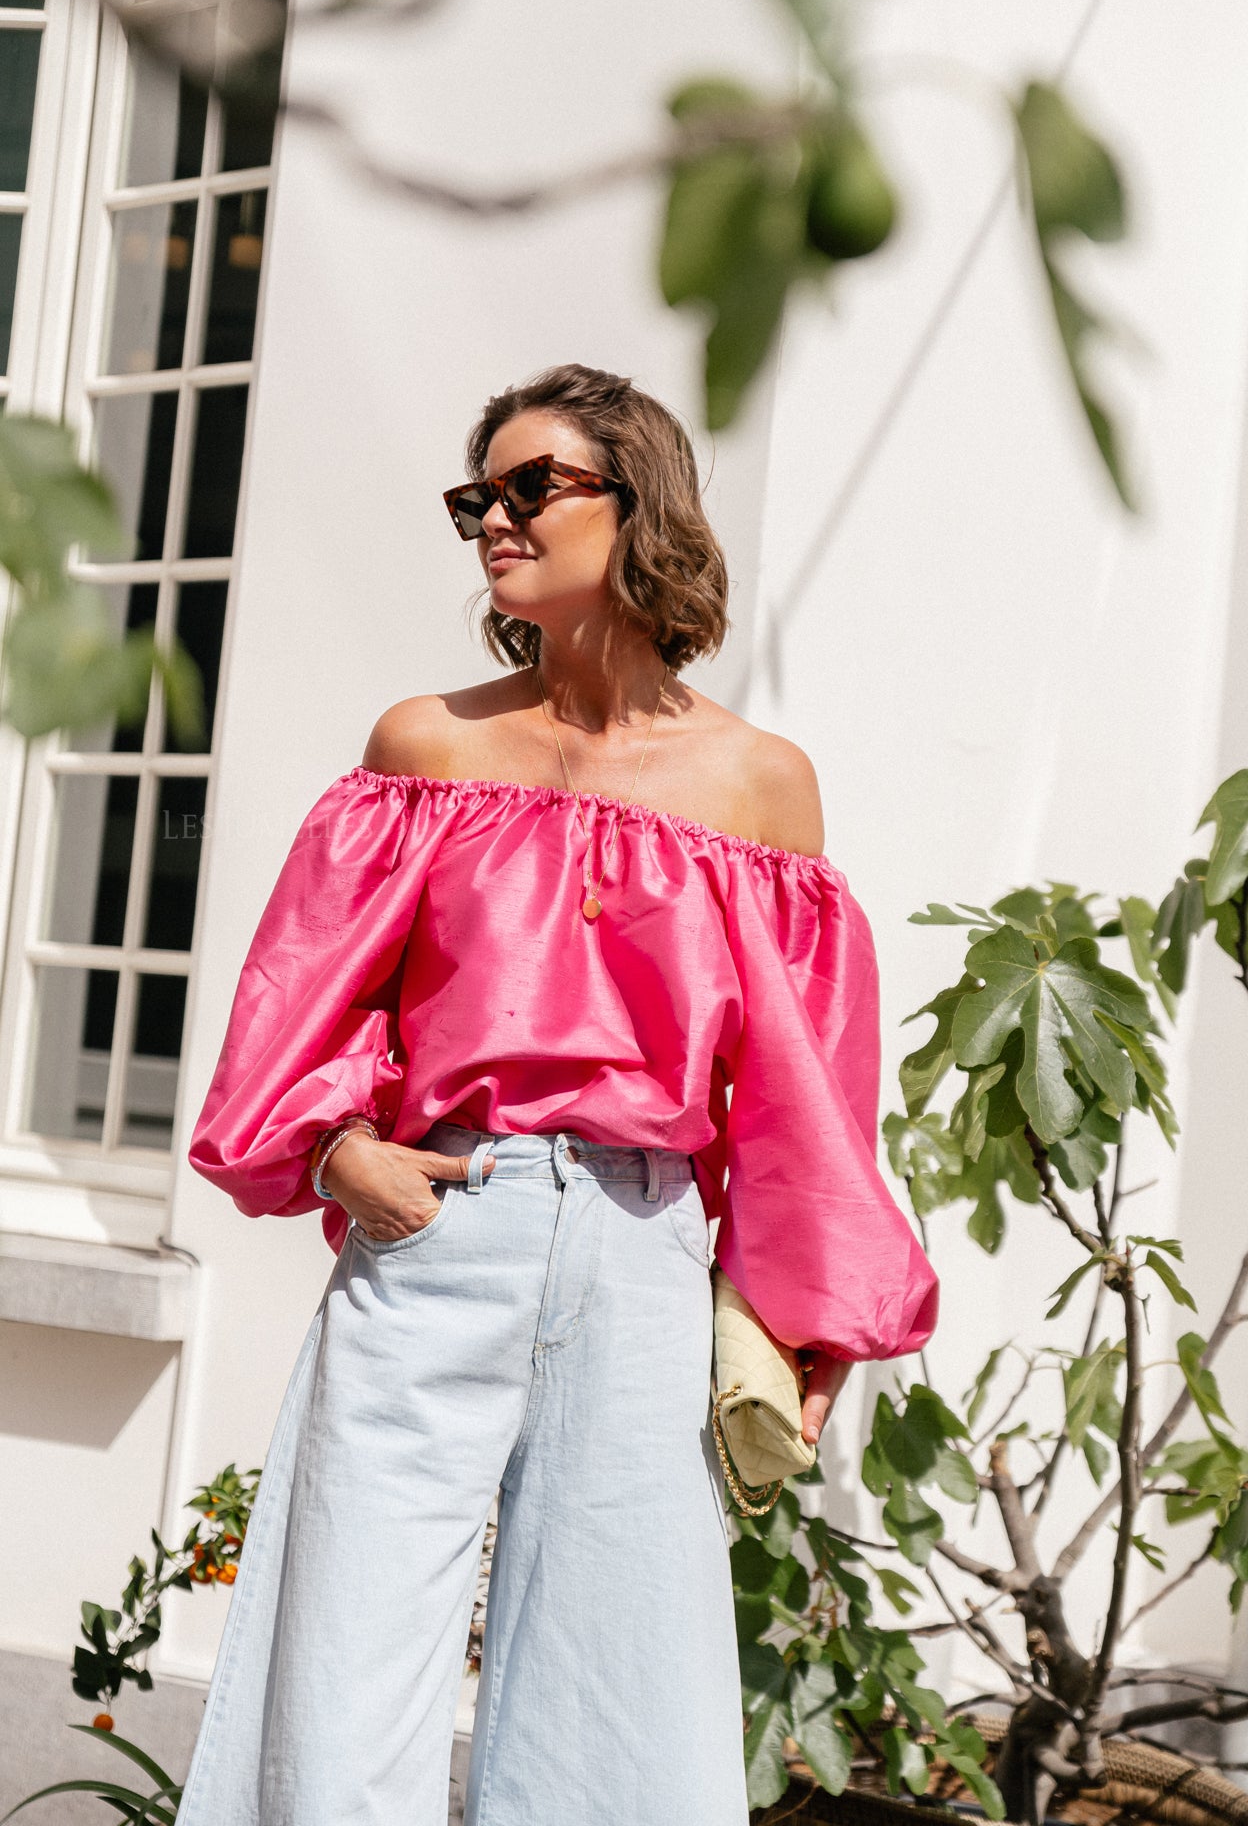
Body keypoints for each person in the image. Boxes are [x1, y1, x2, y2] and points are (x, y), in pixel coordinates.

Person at [177, 362, 938, 1826]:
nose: (494, 520)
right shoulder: (428, 749)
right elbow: (299, 1003)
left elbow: (799, 1091)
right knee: (342, 1644)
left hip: (636, 1241)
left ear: (636, 502)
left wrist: (811, 1314)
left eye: (533, 487)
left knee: (620, 1681)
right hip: (437, 1224)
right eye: (478, 496)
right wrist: (342, 1157)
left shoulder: (756, 785)